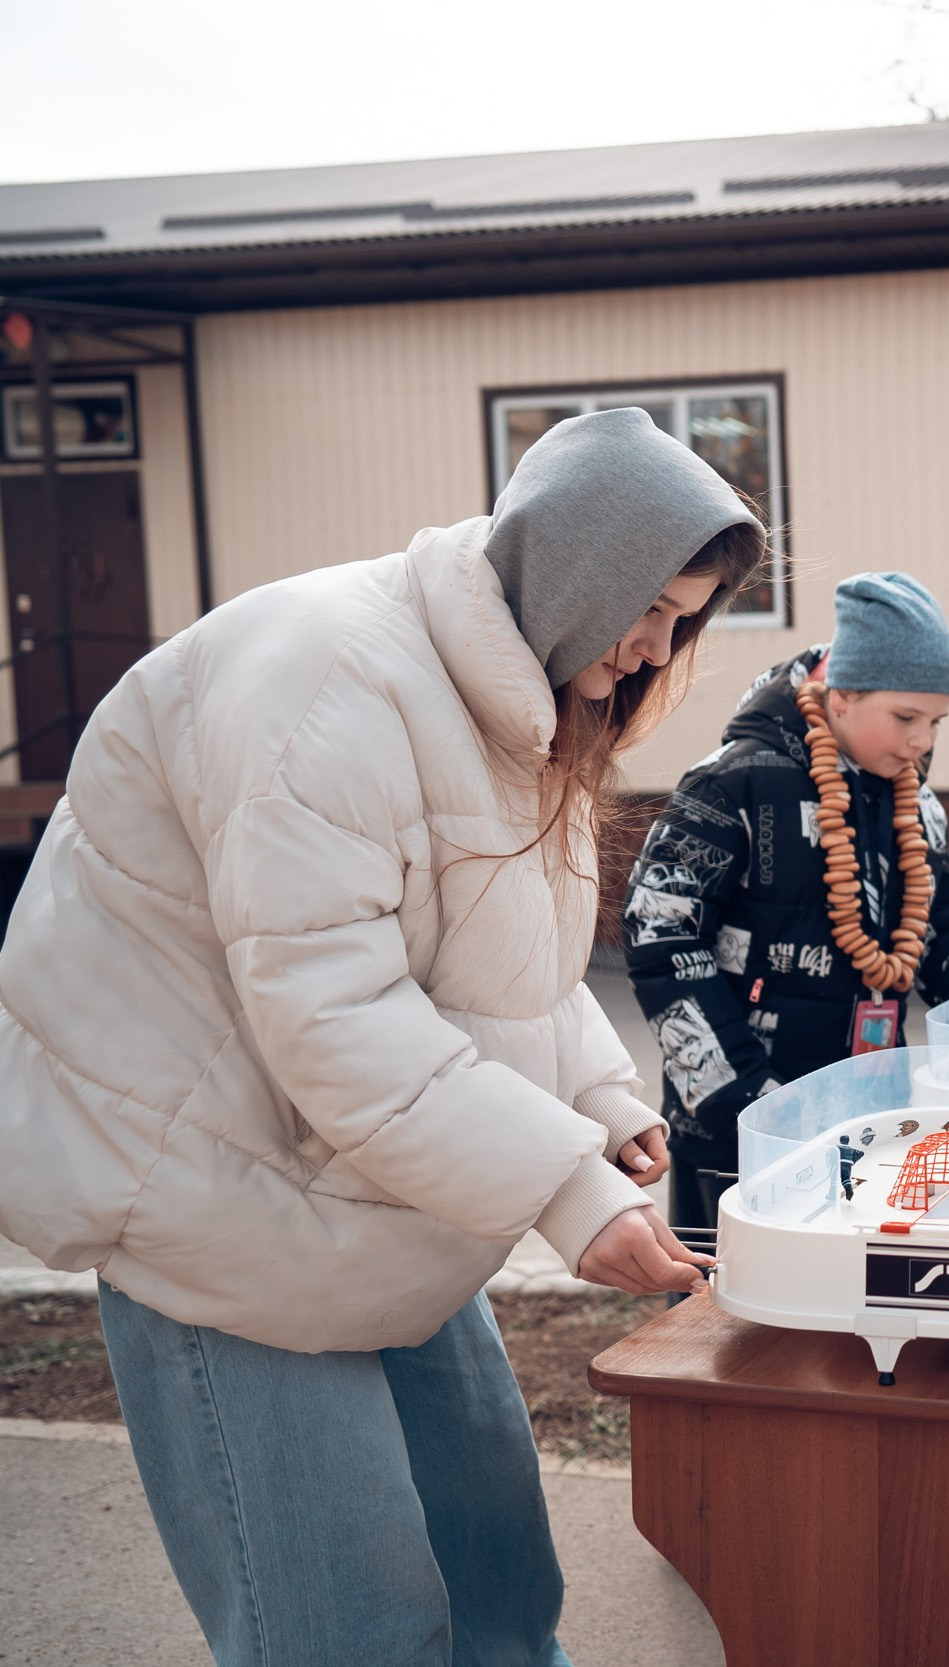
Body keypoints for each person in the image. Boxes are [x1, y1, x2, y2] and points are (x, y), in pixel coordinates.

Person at [0, 408, 758, 1666]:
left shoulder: (506, 692)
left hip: (357, 1180)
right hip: (212, 1191)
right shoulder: (329, 686)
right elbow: (336, 1013)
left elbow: (492, 959)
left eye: (683, 621)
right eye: (648, 607)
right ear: (572, 563)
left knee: (498, 1584)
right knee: (348, 1626)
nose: (655, 647)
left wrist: (599, 1100)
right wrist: (566, 1190)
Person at [625, 572, 949, 1231]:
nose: (923, 741)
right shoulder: (733, 783)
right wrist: (745, 1097)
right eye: (906, 718)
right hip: (737, 1136)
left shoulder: (913, 801)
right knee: (730, 1292)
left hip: (868, 1121)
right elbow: (662, 935)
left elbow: (942, 927)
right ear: (843, 694)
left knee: (850, 1288)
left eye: (937, 721)